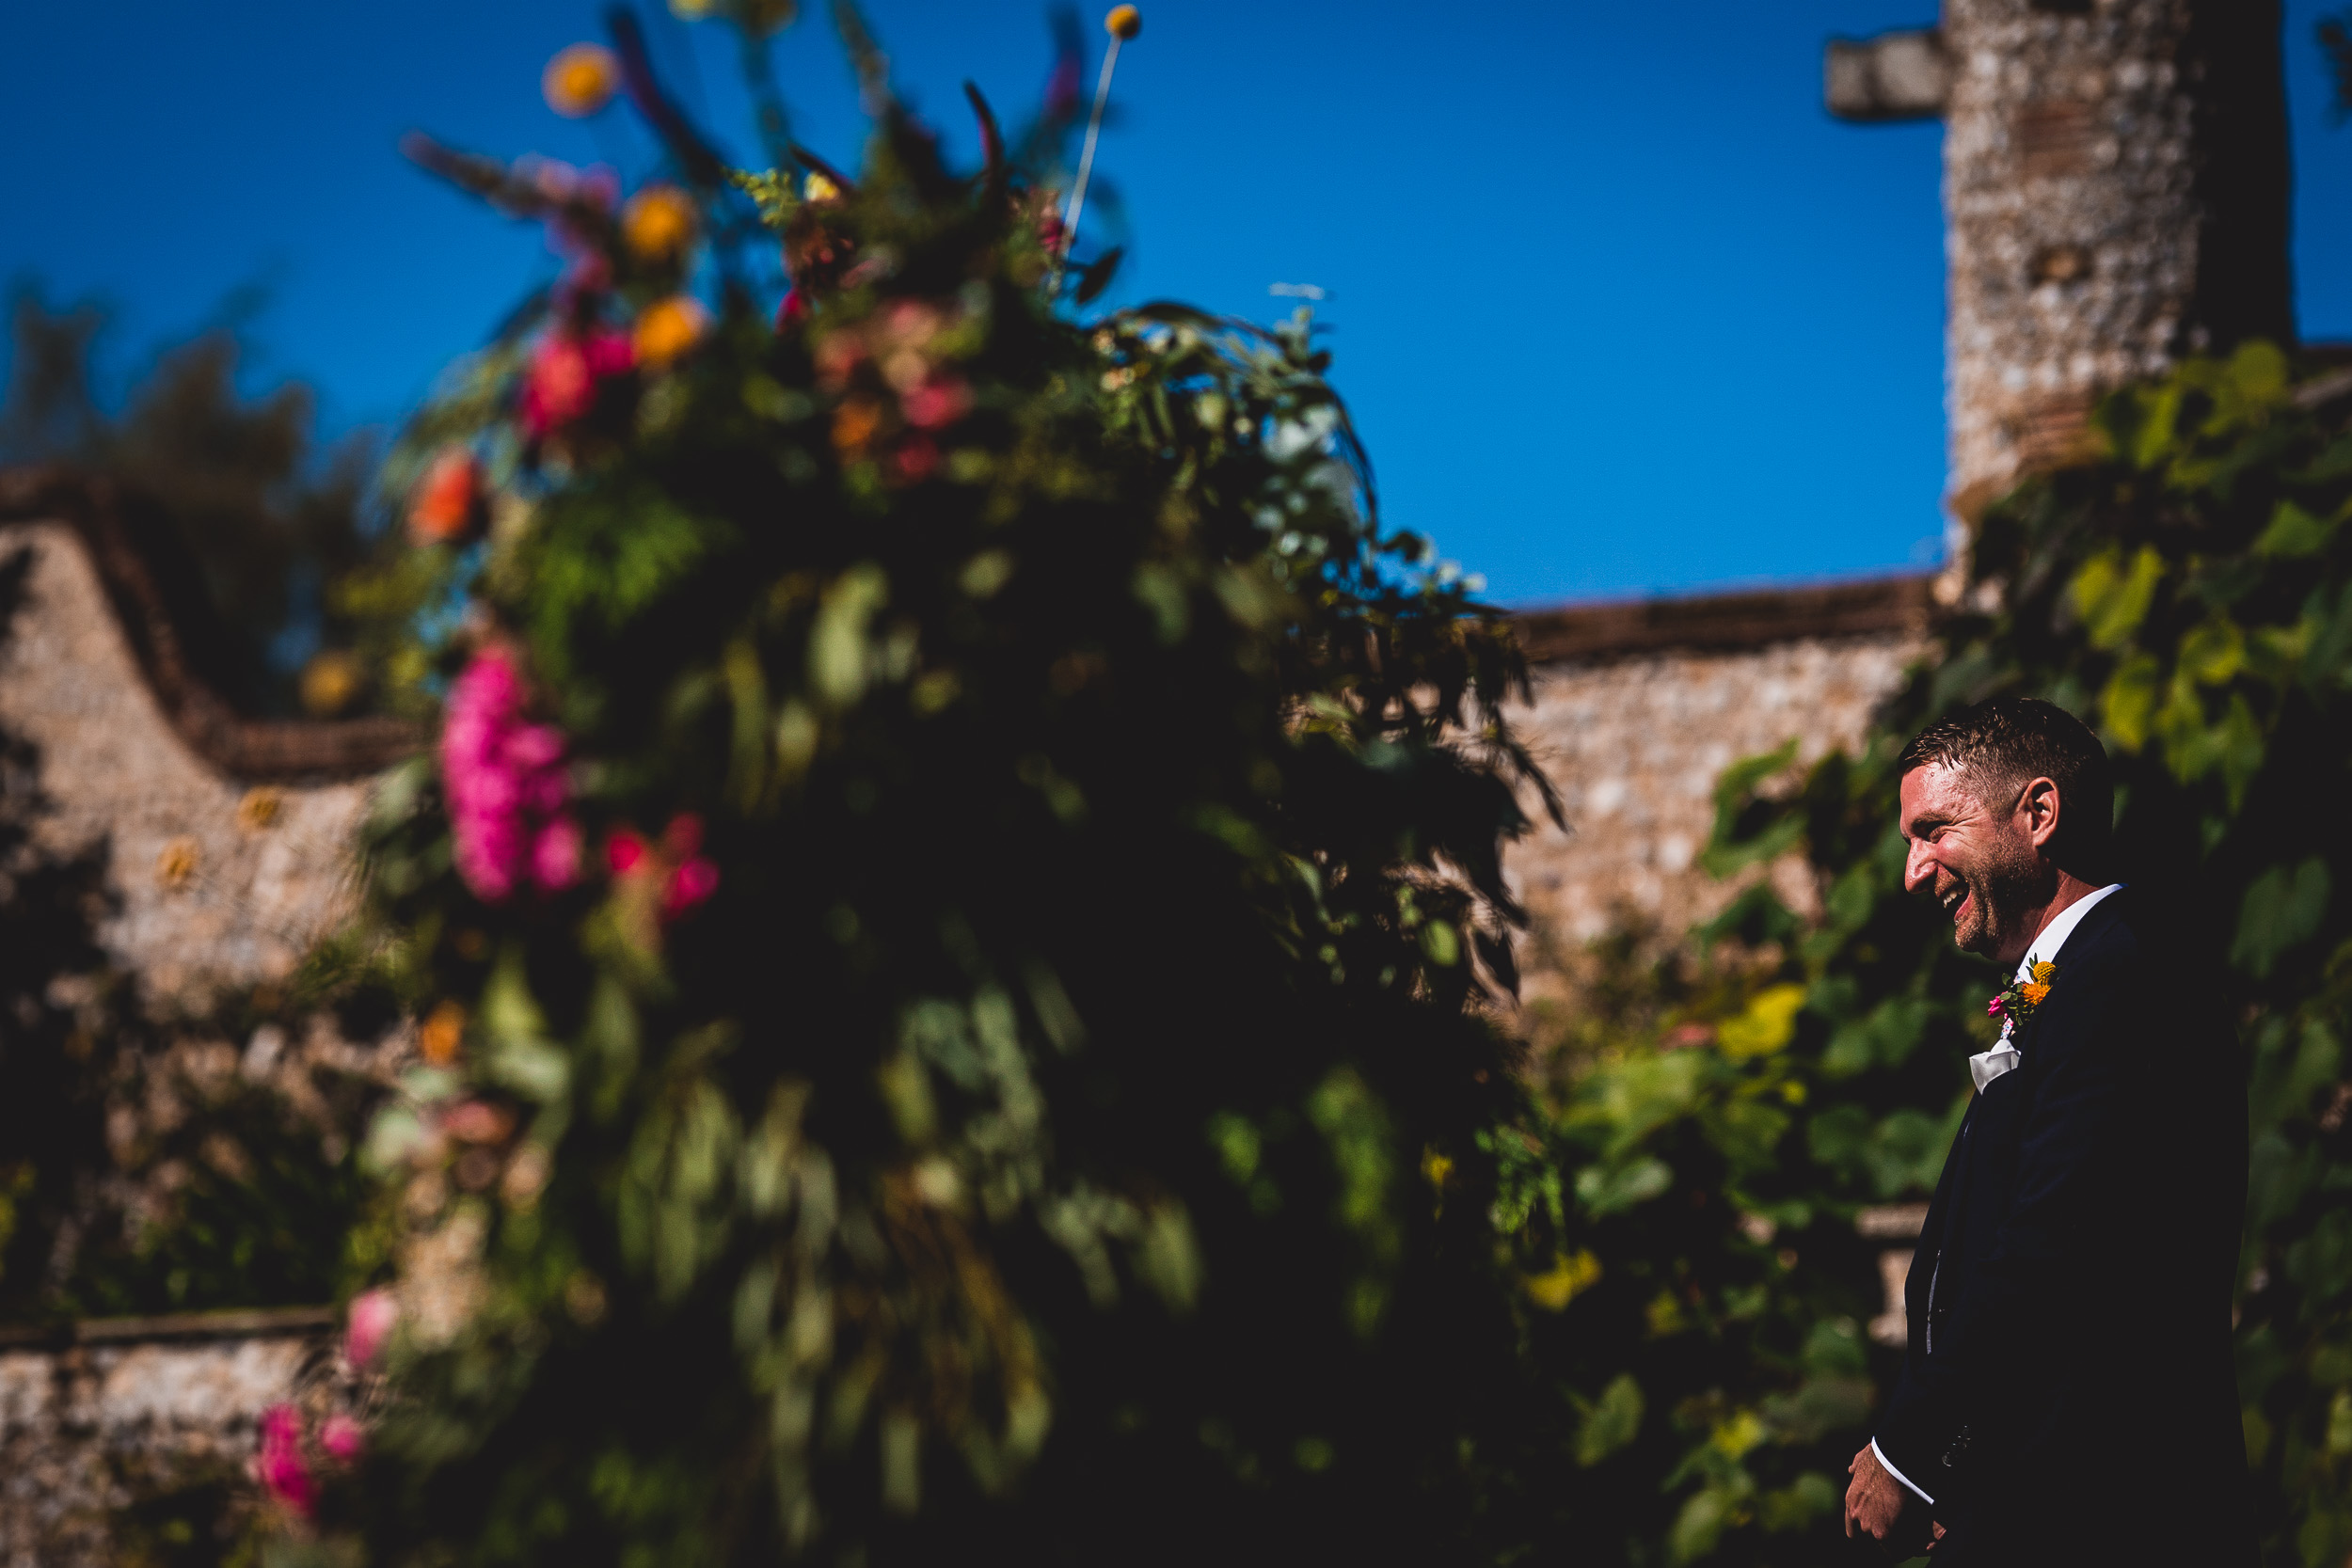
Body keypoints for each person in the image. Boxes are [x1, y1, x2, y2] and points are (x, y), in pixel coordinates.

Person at [1840, 696, 2253, 1565]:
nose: (1913, 871)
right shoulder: (2076, 983)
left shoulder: (2121, 975)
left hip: (2105, 1516)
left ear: (2038, 814)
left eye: (1934, 830)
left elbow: (2054, 1243)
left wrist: (1912, 1453)